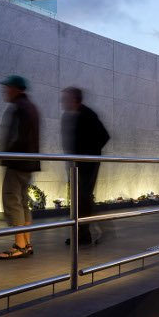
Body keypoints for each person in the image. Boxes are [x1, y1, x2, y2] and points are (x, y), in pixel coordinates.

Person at [0, 75, 40, 259]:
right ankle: (26, 243)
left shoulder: (18, 108)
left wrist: (5, 155)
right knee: (22, 202)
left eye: (7, 88)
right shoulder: (31, 107)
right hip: (28, 162)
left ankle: (20, 246)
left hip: (16, 162)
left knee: (12, 200)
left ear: (16, 89)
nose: (5, 91)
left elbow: (15, 137)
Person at [61, 87, 109, 245]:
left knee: (83, 198)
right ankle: (83, 233)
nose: (63, 102)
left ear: (75, 99)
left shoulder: (87, 115)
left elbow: (104, 136)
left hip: (87, 165)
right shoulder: (73, 116)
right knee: (80, 199)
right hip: (79, 164)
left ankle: (86, 233)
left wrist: (89, 155)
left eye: (66, 98)